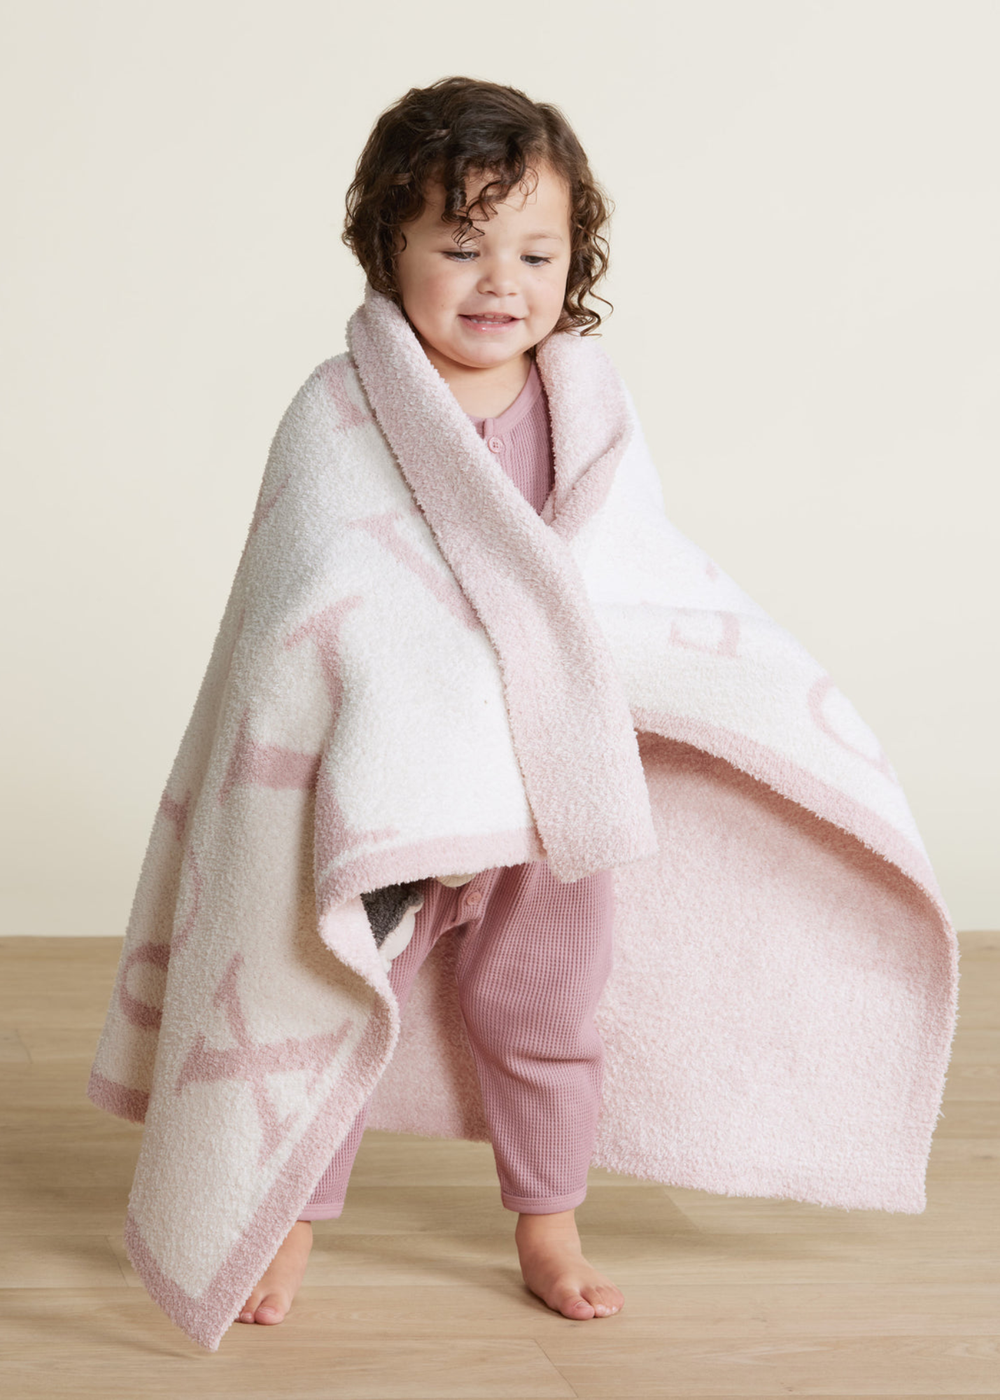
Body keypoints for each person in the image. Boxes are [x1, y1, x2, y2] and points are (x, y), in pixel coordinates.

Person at [238, 75, 626, 1328]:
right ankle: (286, 1221)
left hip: (543, 764)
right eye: (458, 245)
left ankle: (548, 1222)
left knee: (546, 1000)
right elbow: (309, 587)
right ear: (385, 249)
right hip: (397, 768)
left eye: (533, 249)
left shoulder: (588, 409)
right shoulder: (345, 409)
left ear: (575, 259)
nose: (498, 279)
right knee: (341, 987)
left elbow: (629, 569)